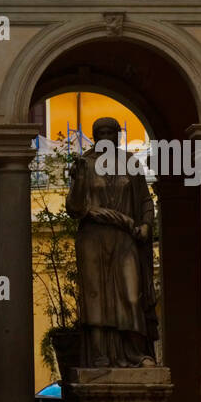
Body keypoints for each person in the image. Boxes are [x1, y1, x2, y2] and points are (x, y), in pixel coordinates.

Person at [66, 117, 158, 368]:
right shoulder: (85, 163)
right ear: (95, 137)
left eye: (111, 132)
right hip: (93, 238)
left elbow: (145, 202)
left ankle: (136, 353)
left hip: (125, 238)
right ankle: (99, 355)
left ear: (118, 136)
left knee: (131, 295)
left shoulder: (131, 163)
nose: (106, 136)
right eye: (101, 132)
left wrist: (147, 225)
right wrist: (78, 178)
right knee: (95, 294)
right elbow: (74, 208)